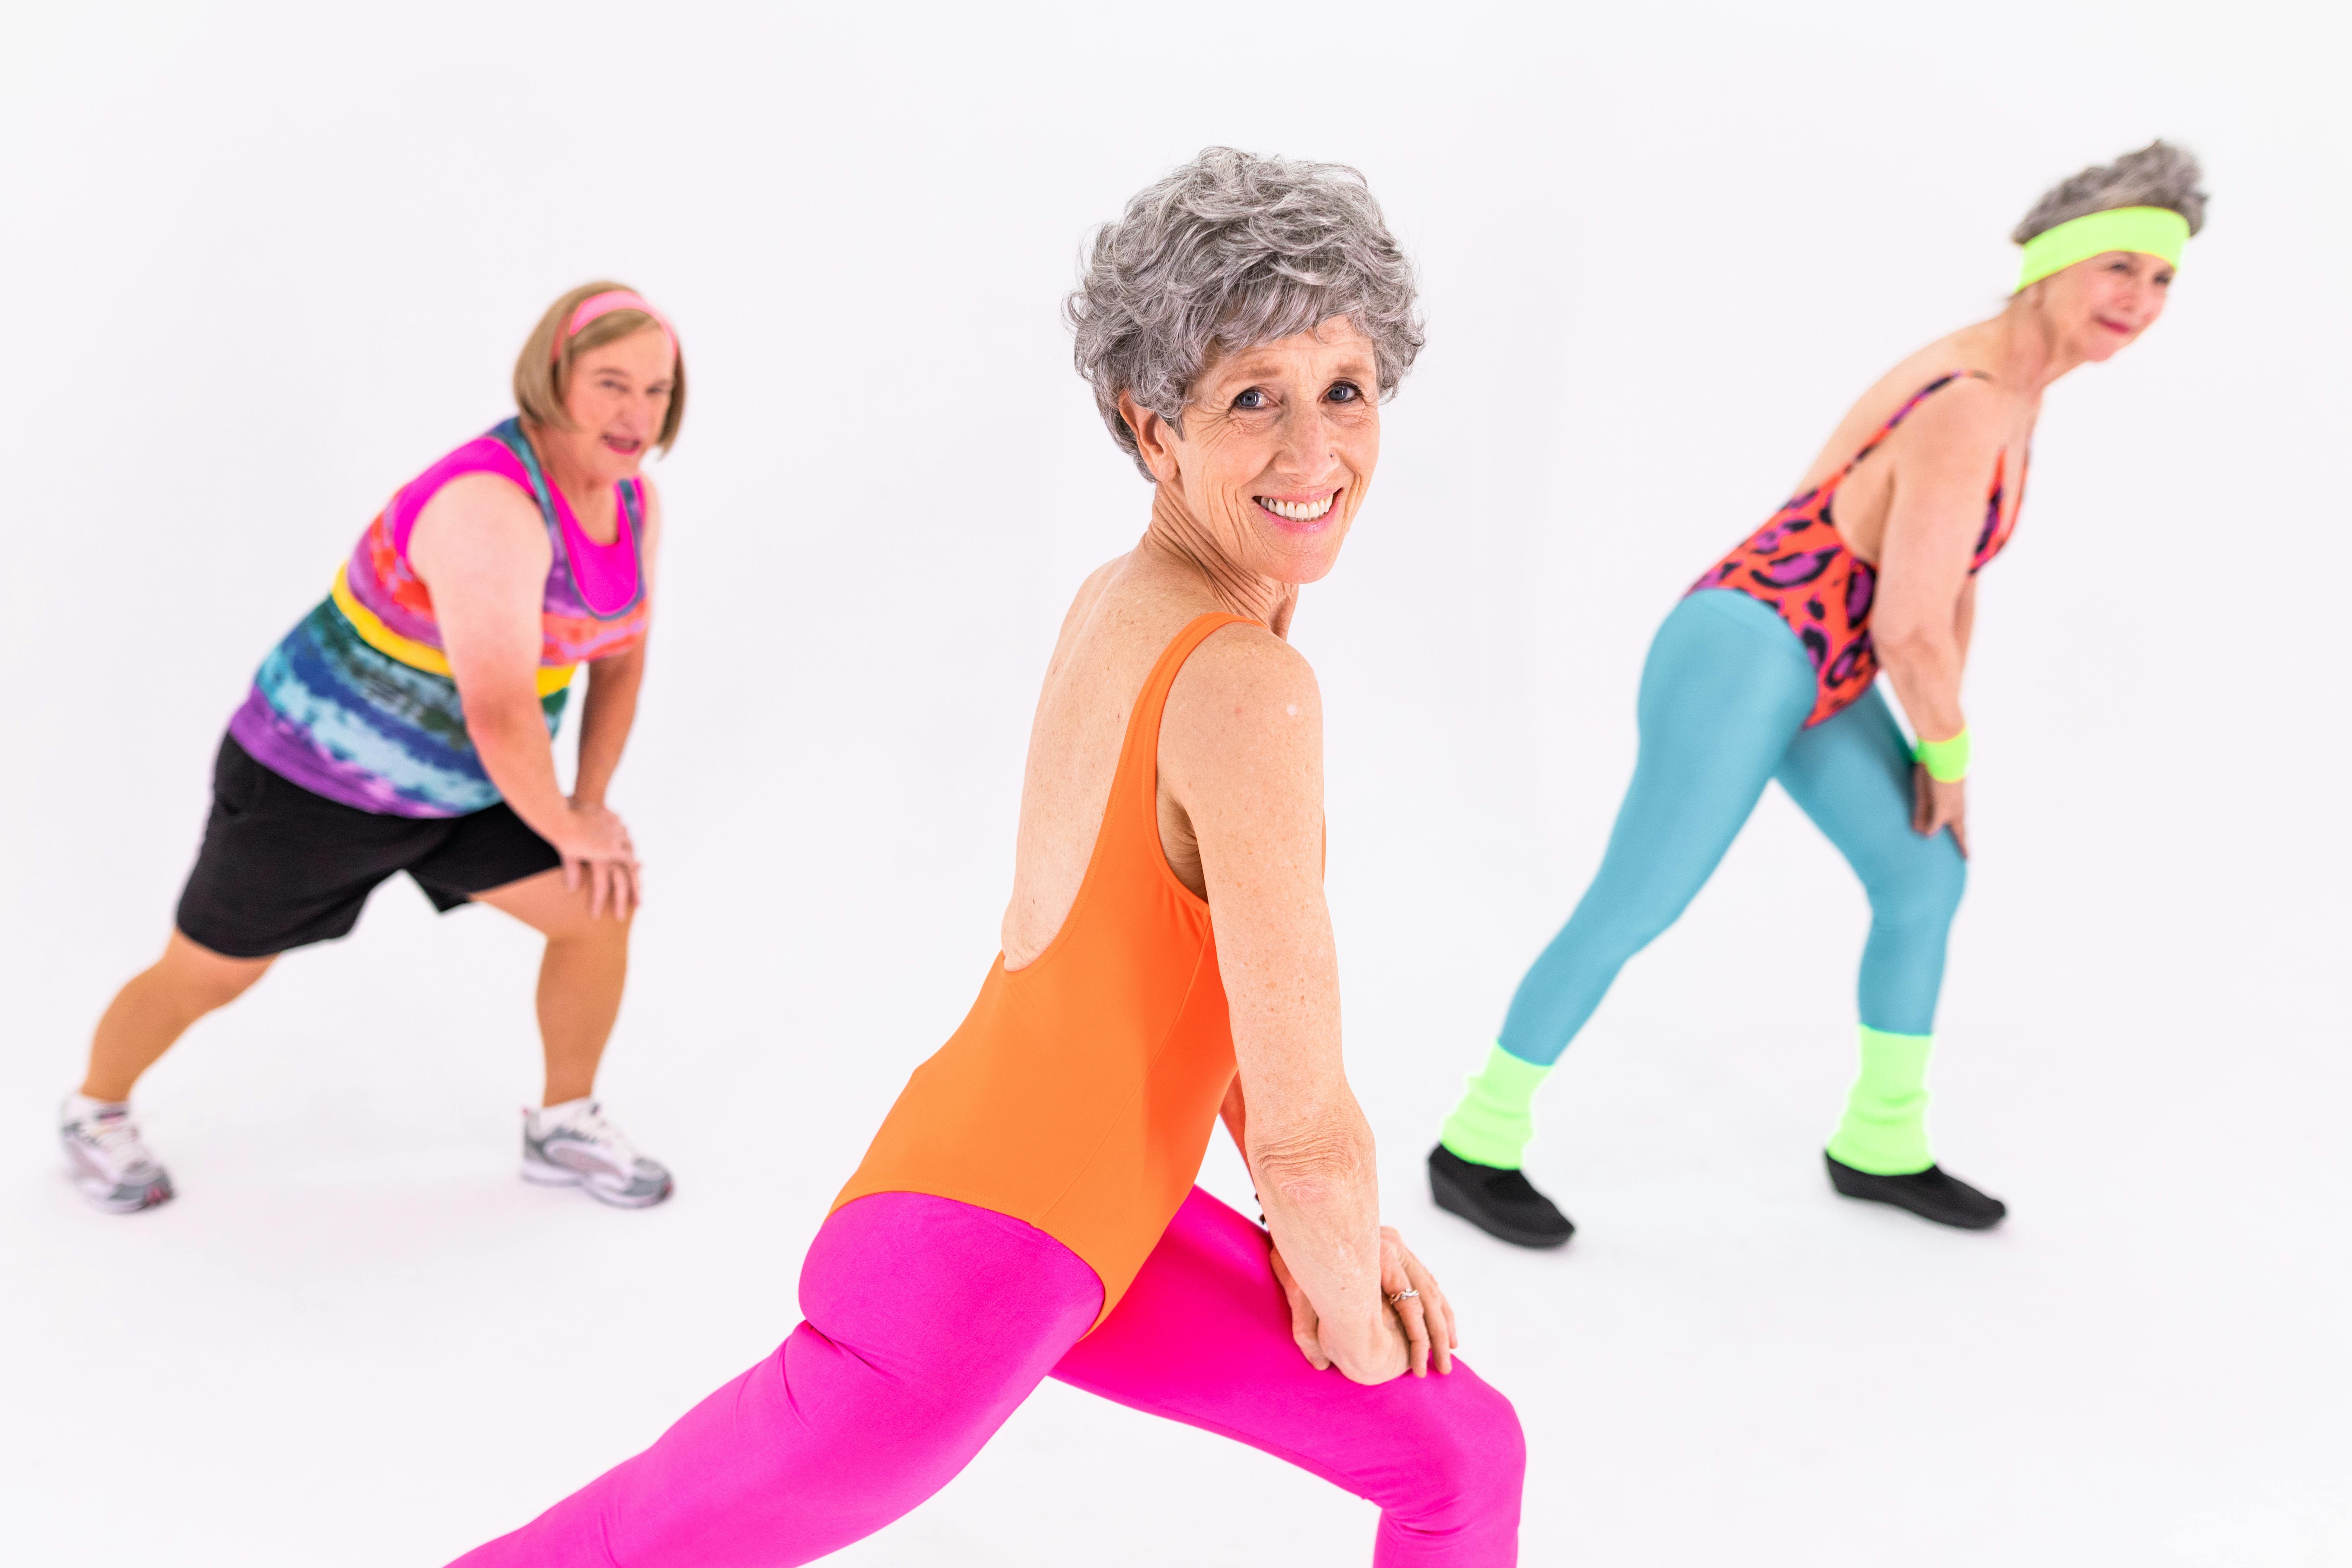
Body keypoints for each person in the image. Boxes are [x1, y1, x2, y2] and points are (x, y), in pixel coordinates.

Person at [452, 149, 1524, 1567]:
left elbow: (1165, 984)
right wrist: (1340, 1277)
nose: (1315, 450)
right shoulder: (1245, 685)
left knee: (1457, 1450)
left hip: (1049, 1209)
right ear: (1153, 427)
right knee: (618, 1547)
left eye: (1345, 388)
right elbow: (1306, 1125)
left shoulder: (1130, 601)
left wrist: (1335, 1229)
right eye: (1251, 397)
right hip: (973, 1271)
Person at [1430, 142, 2207, 1244]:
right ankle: (1476, 1139)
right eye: (2119, 267)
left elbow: (1946, 591)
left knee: (1924, 874)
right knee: (1639, 901)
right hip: (1748, 649)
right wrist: (1949, 757)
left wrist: (1940, 742)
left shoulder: (2020, 395)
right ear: (2052, 263)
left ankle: (1881, 1140)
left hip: (1815, 665)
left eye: (2164, 278)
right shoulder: (1975, 399)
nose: (2140, 298)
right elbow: (1907, 624)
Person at [59, 282, 681, 1213]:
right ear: (552, 377)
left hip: (470, 792)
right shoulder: (488, 504)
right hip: (311, 786)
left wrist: (585, 812)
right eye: (610, 384)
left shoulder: (630, 504)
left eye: (659, 391)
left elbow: (620, 664)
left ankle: (562, 1124)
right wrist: (564, 818)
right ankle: (94, 1111)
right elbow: (502, 711)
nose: (637, 415)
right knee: (208, 974)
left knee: (594, 909)